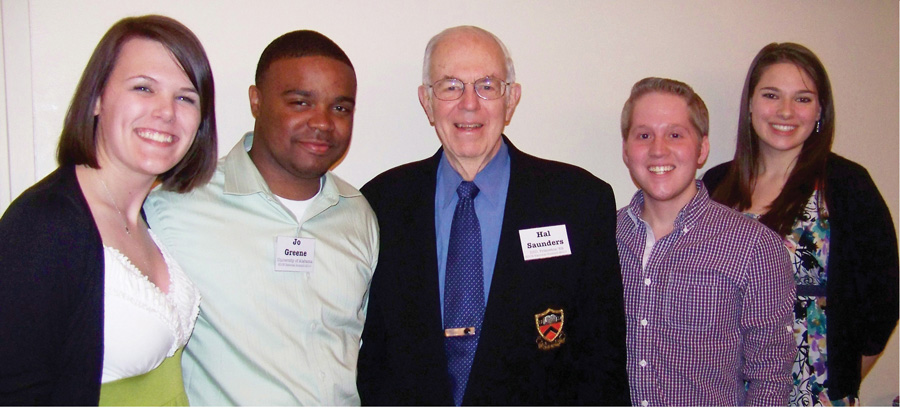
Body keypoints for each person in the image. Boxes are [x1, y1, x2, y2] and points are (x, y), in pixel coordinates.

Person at [356, 25, 628, 406]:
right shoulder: (379, 203)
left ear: (511, 99)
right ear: (426, 101)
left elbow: (603, 362)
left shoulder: (579, 202)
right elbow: (372, 358)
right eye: (450, 86)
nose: (469, 103)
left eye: (487, 85)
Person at [143, 30, 378, 406]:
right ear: (256, 100)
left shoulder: (358, 214)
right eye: (301, 102)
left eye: (340, 108)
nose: (322, 122)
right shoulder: (175, 207)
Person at [0, 15, 216, 406]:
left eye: (185, 97)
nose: (166, 112)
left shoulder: (146, 217)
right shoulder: (44, 226)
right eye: (143, 88)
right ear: (97, 97)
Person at [703, 42, 899, 405]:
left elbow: (884, 298)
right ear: (749, 104)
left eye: (803, 98)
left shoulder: (848, 185)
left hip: (814, 389)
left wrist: (839, 380)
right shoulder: (715, 185)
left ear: (820, 110)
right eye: (771, 95)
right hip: (722, 387)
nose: (786, 111)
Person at [617, 77, 796, 406]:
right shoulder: (602, 238)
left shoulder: (756, 248)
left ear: (702, 149)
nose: (658, 148)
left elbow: (770, 377)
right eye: (644, 135)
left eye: (675, 134)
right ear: (626, 151)